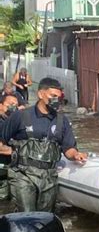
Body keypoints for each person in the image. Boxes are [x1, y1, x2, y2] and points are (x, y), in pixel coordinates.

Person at [0, 77, 87, 212]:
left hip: (49, 177)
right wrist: (14, 152)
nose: (56, 100)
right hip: (23, 175)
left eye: (59, 97)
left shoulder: (61, 121)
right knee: (26, 217)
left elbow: (68, 148)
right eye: (53, 96)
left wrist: (76, 155)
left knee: (44, 219)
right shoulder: (21, 116)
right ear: (40, 94)